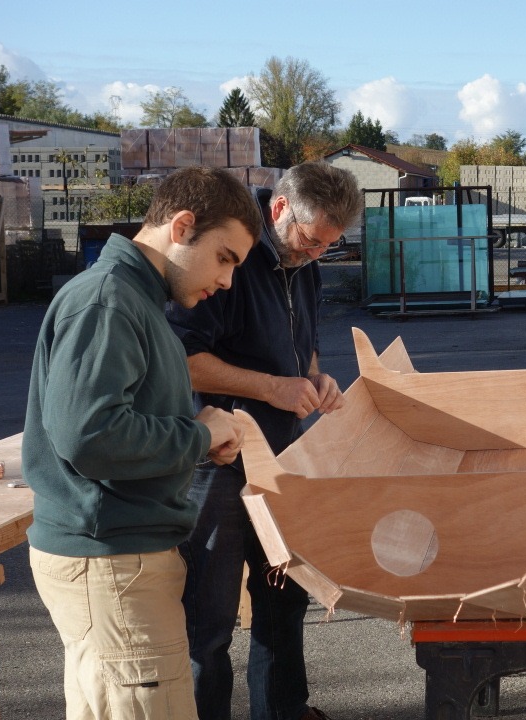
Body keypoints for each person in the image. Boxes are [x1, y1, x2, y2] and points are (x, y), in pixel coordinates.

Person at [23, 166, 263, 719]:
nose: (228, 282)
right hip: (111, 560)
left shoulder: (133, 297)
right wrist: (198, 433)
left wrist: (196, 435)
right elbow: (90, 435)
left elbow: (118, 420)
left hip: (119, 559)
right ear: (182, 227)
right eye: (225, 258)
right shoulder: (109, 300)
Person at [165, 161, 364, 720]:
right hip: (218, 460)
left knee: (284, 598)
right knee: (210, 616)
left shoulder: (304, 261)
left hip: (278, 456)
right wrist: (272, 387)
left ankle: (283, 711)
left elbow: (304, 344)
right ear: (279, 210)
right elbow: (183, 359)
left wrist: (315, 377)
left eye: (329, 245)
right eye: (310, 240)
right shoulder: (229, 255)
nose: (316, 253)